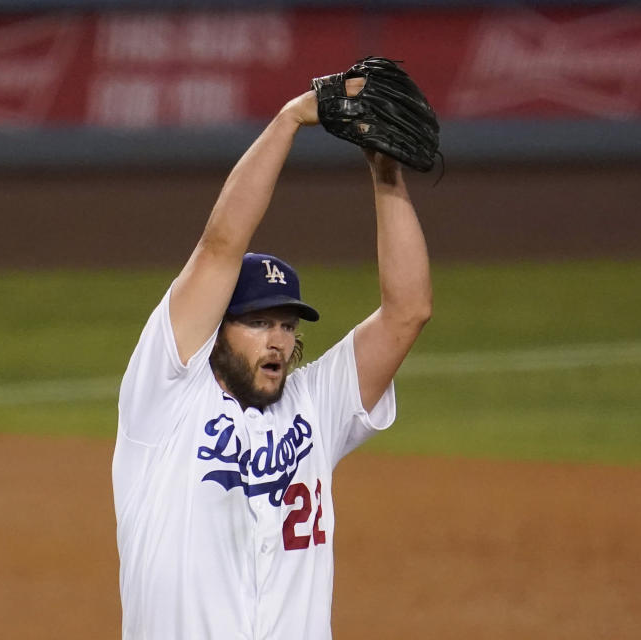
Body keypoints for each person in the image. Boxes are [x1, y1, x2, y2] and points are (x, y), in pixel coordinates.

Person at [112, 80, 432, 639]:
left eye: (286, 325)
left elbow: (407, 312)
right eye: (258, 323)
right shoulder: (166, 394)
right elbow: (220, 247)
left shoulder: (314, 405)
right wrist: (289, 119)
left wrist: (386, 173)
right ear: (216, 329)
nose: (277, 340)